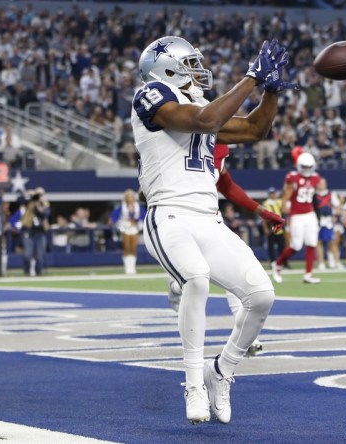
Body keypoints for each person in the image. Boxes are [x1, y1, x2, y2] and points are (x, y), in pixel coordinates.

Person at [132, 36, 295, 424]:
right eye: (190, 63)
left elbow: (256, 129)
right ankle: (192, 383)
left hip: (209, 218)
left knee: (261, 295)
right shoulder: (150, 95)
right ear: (166, 66)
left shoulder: (204, 106)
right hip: (168, 214)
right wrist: (253, 77)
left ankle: (220, 371)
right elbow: (204, 122)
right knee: (197, 280)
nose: (197, 69)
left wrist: (271, 90)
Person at [166, 143, 285, 358]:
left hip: (210, 219)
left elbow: (227, 185)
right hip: (178, 220)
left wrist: (261, 211)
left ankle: (247, 340)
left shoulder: (217, 144)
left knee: (237, 276)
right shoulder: (178, 133)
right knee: (197, 278)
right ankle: (177, 285)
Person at [272, 152, 322, 284]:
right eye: (304, 167)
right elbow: (286, 196)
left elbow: (314, 198)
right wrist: (283, 210)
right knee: (296, 245)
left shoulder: (316, 177)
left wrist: (318, 214)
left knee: (312, 243)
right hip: (296, 215)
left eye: (309, 167)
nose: (307, 169)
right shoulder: (292, 177)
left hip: (310, 214)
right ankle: (278, 264)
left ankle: (308, 274)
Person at [110, 189, 146, 274]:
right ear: (126, 197)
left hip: (135, 228)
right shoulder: (122, 206)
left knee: (133, 248)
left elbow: (144, 215)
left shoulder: (138, 206)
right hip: (125, 228)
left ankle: (132, 267)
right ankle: (127, 267)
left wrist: (137, 220)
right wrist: (120, 223)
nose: (130, 198)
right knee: (127, 248)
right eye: (128, 196)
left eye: (131, 196)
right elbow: (114, 216)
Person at [313, 177, 342, 270]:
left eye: (323, 183)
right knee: (319, 242)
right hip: (318, 220)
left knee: (332, 241)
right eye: (320, 183)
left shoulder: (331, 194)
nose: (322, 185)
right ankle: (321, 263)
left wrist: (335, 216)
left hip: (328, 220)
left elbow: (337, 206)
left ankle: (337, 261)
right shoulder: (314, 195)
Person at [20, 188, 50, 276]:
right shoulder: (28, 202)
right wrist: (27, 194)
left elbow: (45, 214)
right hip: (28, 230)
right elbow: (19, 201)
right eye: (37, 194)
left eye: (40, 195)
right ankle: (27, 272)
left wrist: (39, 204)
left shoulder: (45, 203)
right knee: (27, 253)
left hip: (40, 232)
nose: (38, 197)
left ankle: (39, 272)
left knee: (40, 255)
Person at [262, 187, 285, 266]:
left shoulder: (279, 202)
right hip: (270, 227)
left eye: (274, 193)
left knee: (282, 246)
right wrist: (265, 229)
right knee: (271, 247)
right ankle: (272, 262)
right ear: (269, 195)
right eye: (271, 194)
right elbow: (263, 218)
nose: (273, 195)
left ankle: (283, 262)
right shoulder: (266, 203)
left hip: (280, 228)